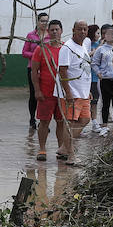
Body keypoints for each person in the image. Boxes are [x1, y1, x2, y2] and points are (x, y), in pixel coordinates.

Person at [29, 18, 66, 161]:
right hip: (46, 92)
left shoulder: (66, 48)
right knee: (44, 121)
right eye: (52, 30)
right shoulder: (41, 49)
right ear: (48, 32)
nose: (55, 32)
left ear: (61, 31)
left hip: (62, 93)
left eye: (57, 29)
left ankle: (61, 148)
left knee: (61, 121)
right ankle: (42, 149)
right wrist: (37, 91)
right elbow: (34, 71)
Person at [55, 19, 91, 161]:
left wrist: (87, 89)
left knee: (85, 119)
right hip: (73, 93)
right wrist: (68, 92)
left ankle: (64, 147)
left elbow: (83, 68)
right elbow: (62, 71)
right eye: (79, 29)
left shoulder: (84, 46)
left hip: (83, 92)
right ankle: (70, 154)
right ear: (73, 30)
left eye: (85, 29)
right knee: (69, 122)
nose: (82, 32)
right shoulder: (67, 48)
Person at [21, 12, 49, 130]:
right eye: (42, 21)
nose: (44, 23)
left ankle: (44, 121)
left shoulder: (50, 36)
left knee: (46, 95)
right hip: (32, 68)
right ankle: (32, 118)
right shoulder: (31, 35)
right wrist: (37, 55)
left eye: (46, 21)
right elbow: (24, 52)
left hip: (47, 69)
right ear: (37, 22)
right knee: (34, 94)